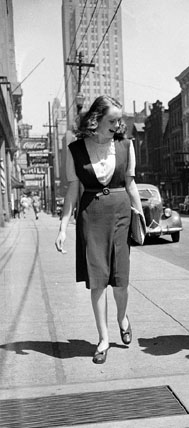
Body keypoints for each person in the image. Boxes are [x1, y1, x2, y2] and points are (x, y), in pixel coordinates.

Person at [55, 95, 143, 365]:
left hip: (120, 212)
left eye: (120, 120)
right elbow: (72, 190)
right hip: (90, 214)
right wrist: (62, 228)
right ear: (96, 120)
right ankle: (103, 339)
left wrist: (140, 216)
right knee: (98, 280)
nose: (118, 125)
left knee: (121, 280)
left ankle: (122, 317)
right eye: (112, 120)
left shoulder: (126, 146)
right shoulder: (75, 149)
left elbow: (130, 185)